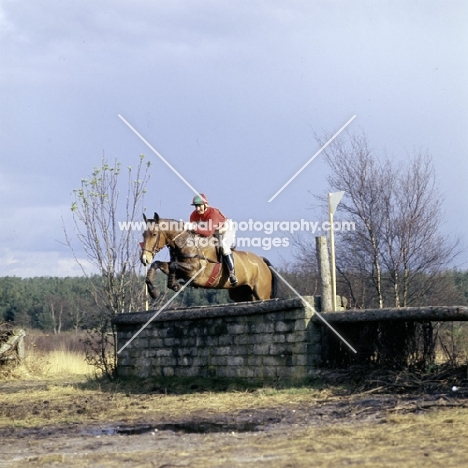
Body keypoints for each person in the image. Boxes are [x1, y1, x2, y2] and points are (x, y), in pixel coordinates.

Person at [187, 193, 238, 286]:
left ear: (206, 205)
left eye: (199, 206)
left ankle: (232, 274)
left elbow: (208, 232)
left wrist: (194, 228)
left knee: (223, 246)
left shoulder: (212, 213)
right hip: (214, 231)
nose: (197, 209)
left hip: (225, 229)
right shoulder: (193, 215)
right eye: (195, 206)